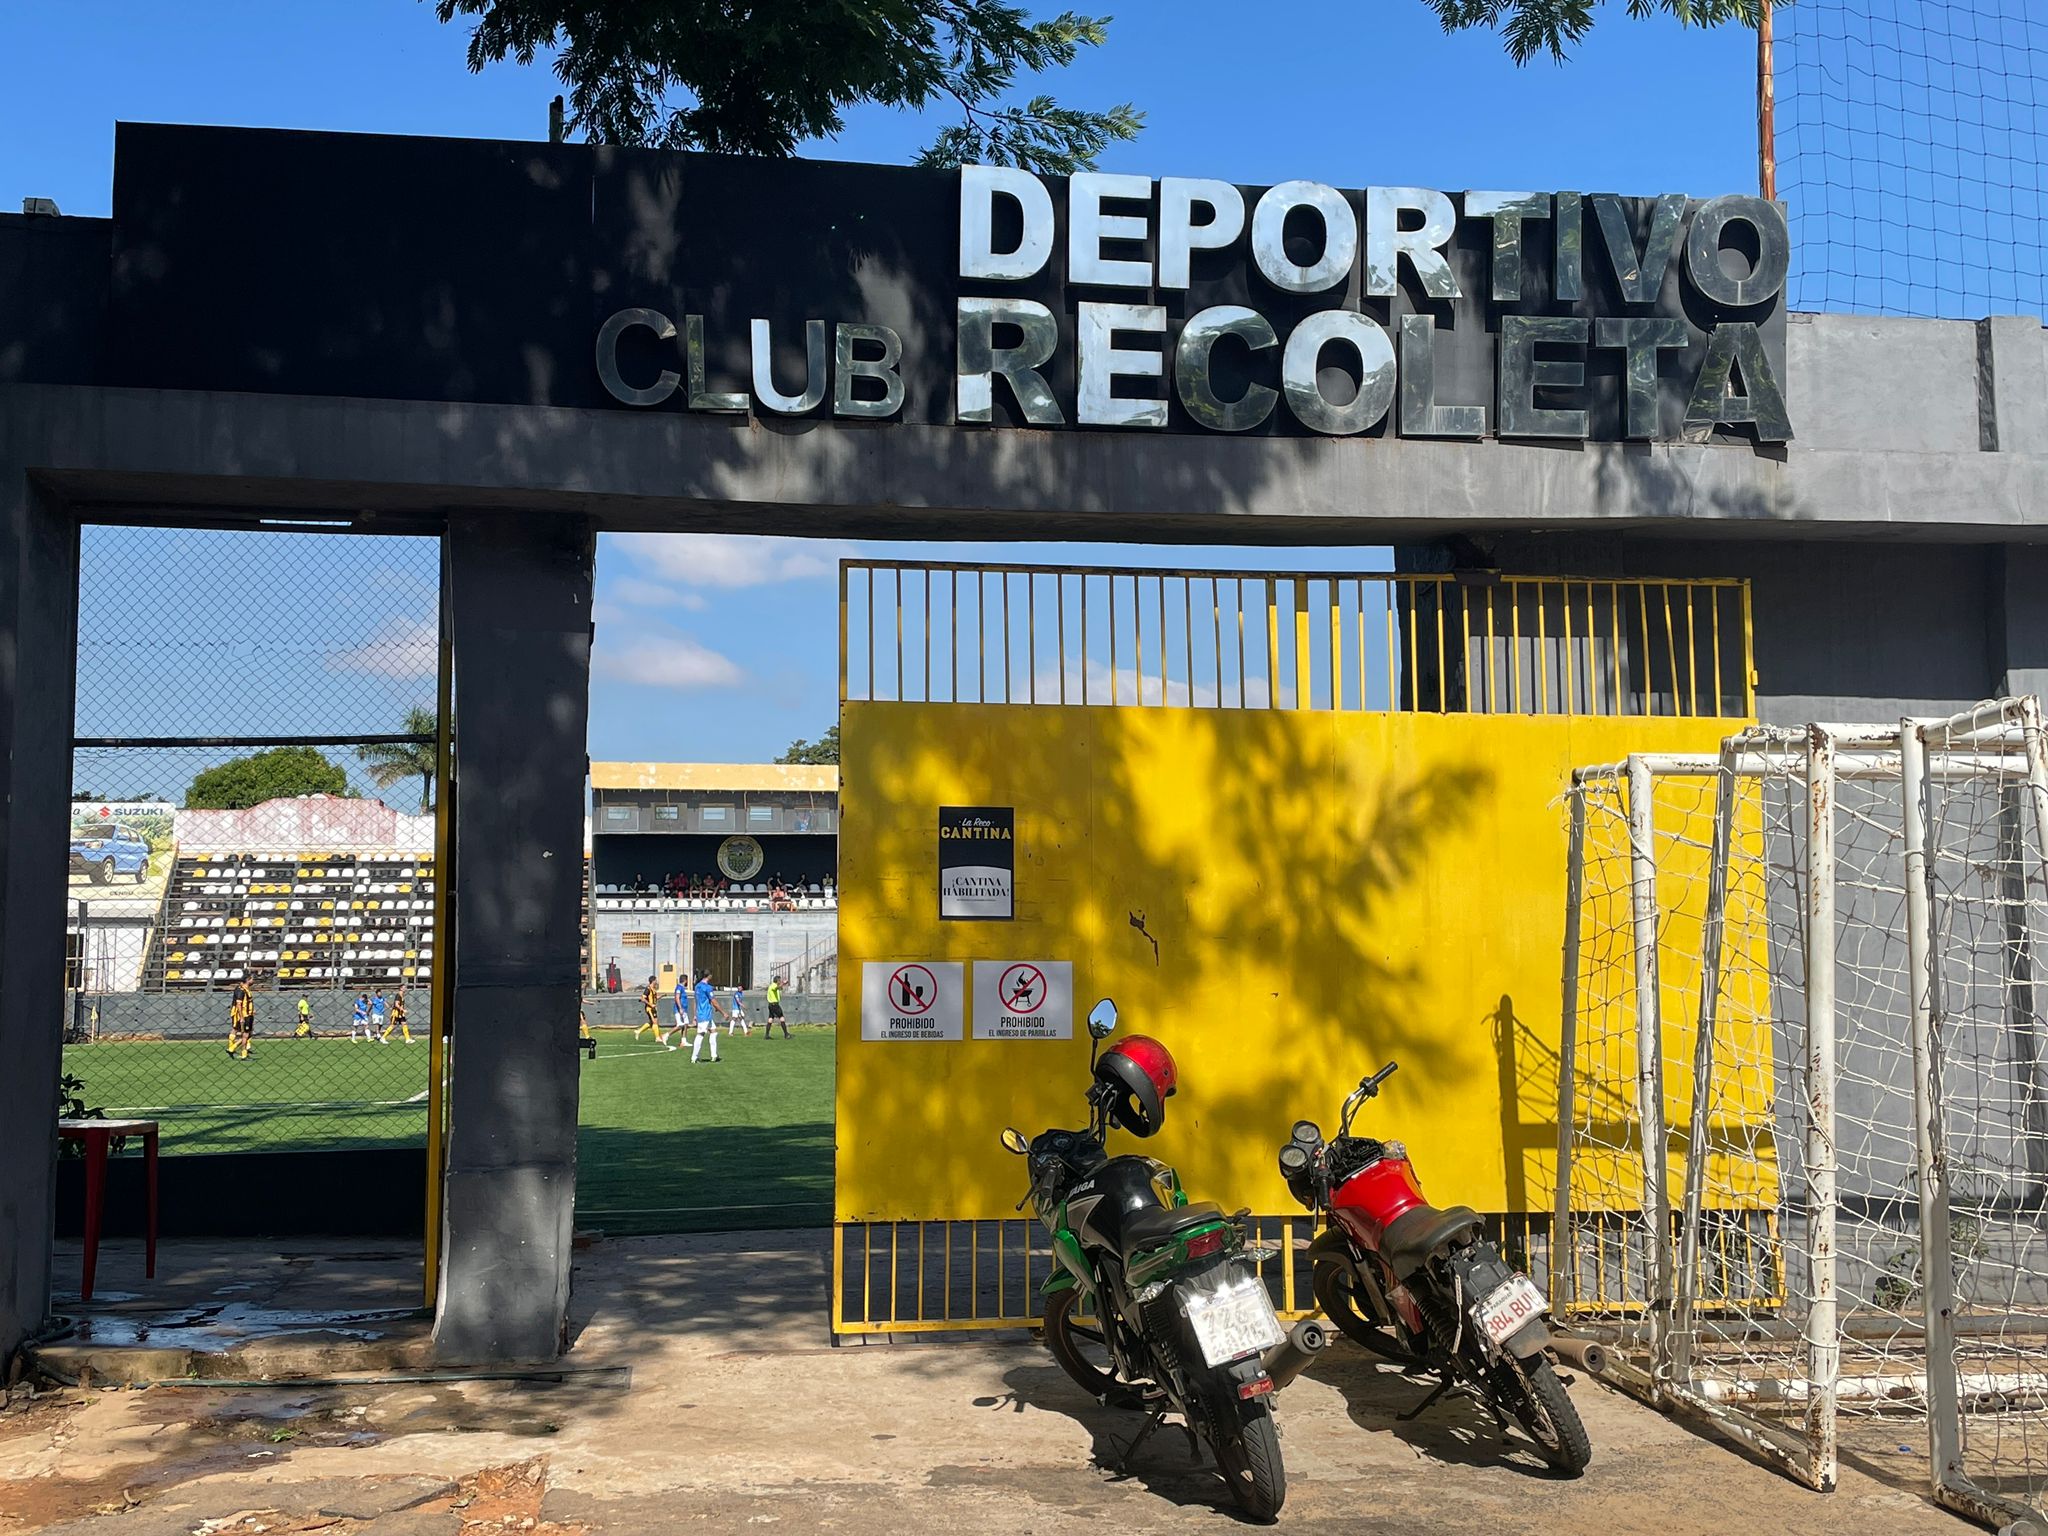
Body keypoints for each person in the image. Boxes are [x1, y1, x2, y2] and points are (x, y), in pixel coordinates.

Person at [688, 970, 720, 1064]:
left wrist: (695, 1015)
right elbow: (713, 1000)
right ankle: (694, 1057)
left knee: (713, 1031)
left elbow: (695, 1001)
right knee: (700, 1035)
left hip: (702, 1014)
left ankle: (714, 1055)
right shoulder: (708, 987)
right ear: (709, 976)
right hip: (705, 1014)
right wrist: (723, 1012)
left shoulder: (697, 986)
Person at [227, 978, 255, 1060]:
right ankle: (241, 1053)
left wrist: (252, 1009)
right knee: (244, 1034)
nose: (253, 981)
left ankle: (232, 1048)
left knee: (247, 1034)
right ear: (248, 980)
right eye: (252, 979)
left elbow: (248, 1002)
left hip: (248, 1014)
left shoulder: (246, 990)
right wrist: (242, 1017)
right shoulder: (241, 990)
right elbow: (239, 1004)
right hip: (245, 1015)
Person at [634, 975, 666, 1046]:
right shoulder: (648, 989)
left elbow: (655, 998)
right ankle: (657, 1038)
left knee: (652, 1022)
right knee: (655, 1022)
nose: (657, 981)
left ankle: (638, 1031)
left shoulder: (653, 989)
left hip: (653, 1008)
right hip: (649, 1008)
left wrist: (662, 995)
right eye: (656, 980)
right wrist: (650, 1004)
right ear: (653, 981)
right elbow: (642, 998)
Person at [764, 974, 790, 1039]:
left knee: (770, 1018)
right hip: (774, 1005)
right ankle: (786, 1034)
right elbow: (777, 987)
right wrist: (783, 983)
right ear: (777, 981)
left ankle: (767, 1035)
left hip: (771, 1005)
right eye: (779, 980)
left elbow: (780, 988)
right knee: (781, 1017)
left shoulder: (775, 985)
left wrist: (783, 984)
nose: (780, 981)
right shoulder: (773, 985)